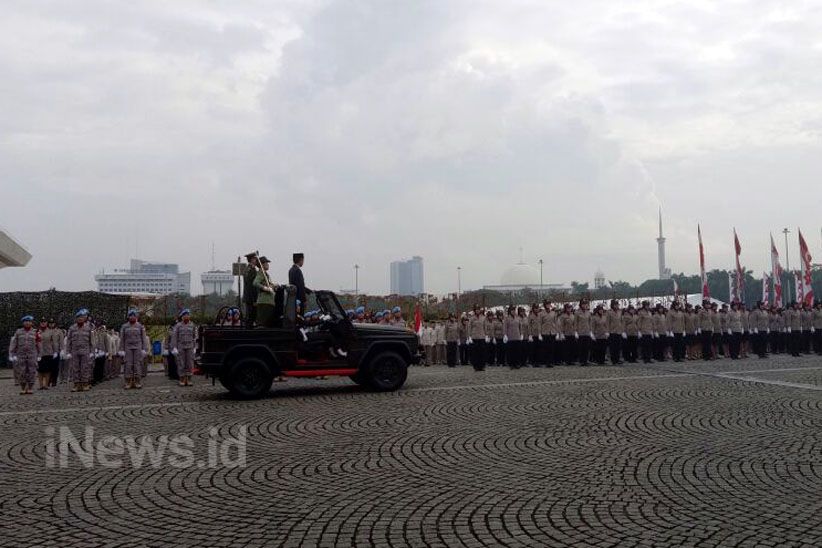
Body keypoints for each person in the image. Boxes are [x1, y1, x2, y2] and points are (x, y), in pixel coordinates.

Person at [9, 315, 40, 395]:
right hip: (21, 354)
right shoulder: (18, 332)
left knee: (32, 371)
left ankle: (30, 388)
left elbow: (39, 344)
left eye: (29, 321)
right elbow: (14, 343)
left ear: (31, 323)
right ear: (23, 323)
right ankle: (23, 388)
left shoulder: (35, 332)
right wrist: (12, 354)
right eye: (25, 321)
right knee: (21, 371)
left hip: (32, 354)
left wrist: (40, 354)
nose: (27, 323)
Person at [66, 309, 94, 392]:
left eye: (81, 317)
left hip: (85, 351)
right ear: (76, 319)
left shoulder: (89, 328)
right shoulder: (72, 328)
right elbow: (69, 340)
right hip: (75, 351)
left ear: (84, 319)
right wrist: (68, 352)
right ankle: (76, 385)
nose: (80, 319)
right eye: (78, 317)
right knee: (75, 368)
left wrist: (92, 352)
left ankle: (85, 384)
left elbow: (92, 341)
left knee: (85, 368)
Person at [119, 309, 147, 389]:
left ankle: (137, 381)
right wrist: (121, 349)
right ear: (128, 317)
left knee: (137, 365)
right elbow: (122, 339)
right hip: (128, 348)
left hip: (138, 348)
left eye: (134, 316)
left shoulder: (140, 326)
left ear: (136, 317)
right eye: (130, 316)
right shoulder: (124, 326)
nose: (132, 317)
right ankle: (128, 382)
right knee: (128, 365)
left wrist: (144, 349)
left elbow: (143, 338)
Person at [172, 309, 198, 386]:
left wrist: (195, 347)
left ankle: (189, 379)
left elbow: (195, 337)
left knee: (190, 363)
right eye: (185, 315)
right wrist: (174, 347)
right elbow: (174, 337)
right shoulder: (178, 326)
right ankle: (182, 379)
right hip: (181, 346)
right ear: (182, 317)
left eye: (188, 315)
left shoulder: (192, 325)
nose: (186, 317)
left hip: (190, 346)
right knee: (181, 363)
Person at [37, 318, 61, 390]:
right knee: (39, 369)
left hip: (48, 352)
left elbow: (54, 342)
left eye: (44, 322)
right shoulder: (37, 331)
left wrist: (56, 351)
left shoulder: (50, 332)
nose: (43, 323)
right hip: (39, 353)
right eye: (42, 322)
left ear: (46, 323)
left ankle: (46, 384)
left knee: (48, 369)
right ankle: (41, 385)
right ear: (40, 323)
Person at [254, 256, 277, 327]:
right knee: (262, 323)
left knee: (267, 323)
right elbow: (255, 283)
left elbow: (269, 285)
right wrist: (265, 288)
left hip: (268, 301)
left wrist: (273, 286)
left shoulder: (265, 274)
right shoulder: (261, 273)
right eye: (266, 263)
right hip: (264, 301)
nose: (268, 264)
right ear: (262, 264)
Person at [468, 306, 487, 371]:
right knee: (475, 353)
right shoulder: (472, 318)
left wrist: (486, 335)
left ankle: (482, 366)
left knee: (482, 353)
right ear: (474, 310)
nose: (477, 311)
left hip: (482, 337)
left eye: (478, 309)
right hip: (474, 337)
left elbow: (485, 327)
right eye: (476, 310)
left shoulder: (483, 317)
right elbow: (469, 327)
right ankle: (476, 366)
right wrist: (469, 336)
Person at [243, 253, 260, 326]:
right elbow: (251, 287)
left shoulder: (249, 269)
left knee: (250, 317)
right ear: (252, 259)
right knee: (250, 317)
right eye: (255, 259)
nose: (257, 260)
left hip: (249, 298)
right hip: (251, 298)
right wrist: (254, 300)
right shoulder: (251, 270)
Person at [575, 300, 593, 366]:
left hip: (587, 332)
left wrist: (591, 331)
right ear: (581, 305)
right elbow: (575, 322)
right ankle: (581, 360)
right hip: (580, 332)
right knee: (581, 347)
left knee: (586, 347)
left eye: (586, 304)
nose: (585, 305)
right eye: (583, 304)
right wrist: (576, 331)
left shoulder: (588, 312)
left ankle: (585, 360)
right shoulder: (577, 312)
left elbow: (590, 322)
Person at [606, 300, 623, 365]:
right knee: (613, 347)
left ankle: (617, 359)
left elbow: (621, 321)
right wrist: (607, 331)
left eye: (617, 304)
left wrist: (622, 330)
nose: (617, 306)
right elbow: (607, 322)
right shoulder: (609, 312)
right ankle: (613, 360)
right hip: (612, 331)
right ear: (612, 305)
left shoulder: (620, 311)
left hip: (618, 331)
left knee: (618, 347)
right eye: (615, 305)